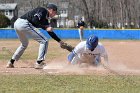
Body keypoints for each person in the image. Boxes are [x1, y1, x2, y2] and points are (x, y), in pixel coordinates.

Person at [6, 3, 66, 69]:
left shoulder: (45, 20)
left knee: (24, 44)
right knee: (44, 40)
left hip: (17, 23)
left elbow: (50, 32)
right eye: (55, 12)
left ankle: (11, 62)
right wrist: (46, 28)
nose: (55, 14)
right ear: (51, 10)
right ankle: (39, 63)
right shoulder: (43, 11)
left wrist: (59, 41)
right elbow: (34, 20)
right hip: (24, 23)